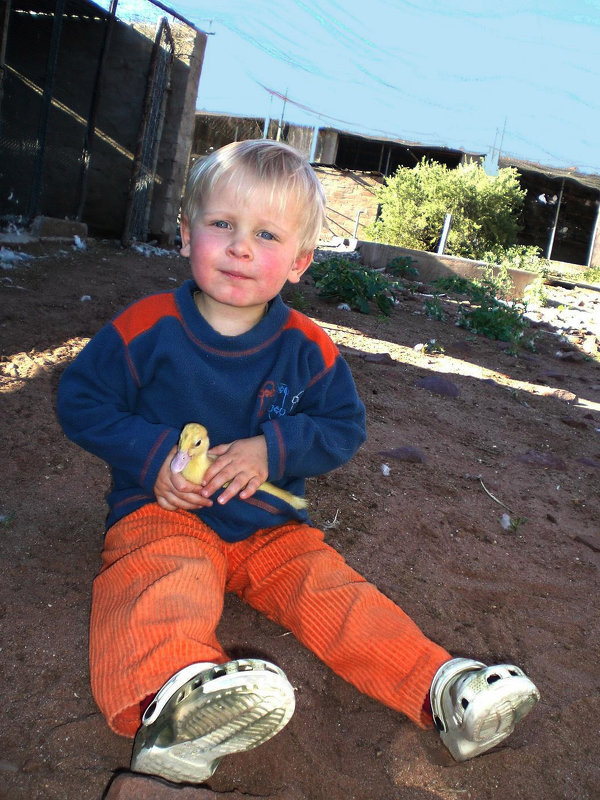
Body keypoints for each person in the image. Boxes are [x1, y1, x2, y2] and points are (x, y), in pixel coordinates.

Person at [57, 139, 539, 785]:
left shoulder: (308, 349)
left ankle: (443, 692)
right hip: (163, 513)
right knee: (161, 578)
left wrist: (271, 448)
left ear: (300, 262)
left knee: (334, 593)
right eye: (221, 224)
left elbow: (344, 426)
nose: (240, 247)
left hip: (271, 529)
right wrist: (151, 460)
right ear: (184, 235)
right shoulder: (146, 328)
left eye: (266, 234)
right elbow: (81, 399)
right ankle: (169, 704)